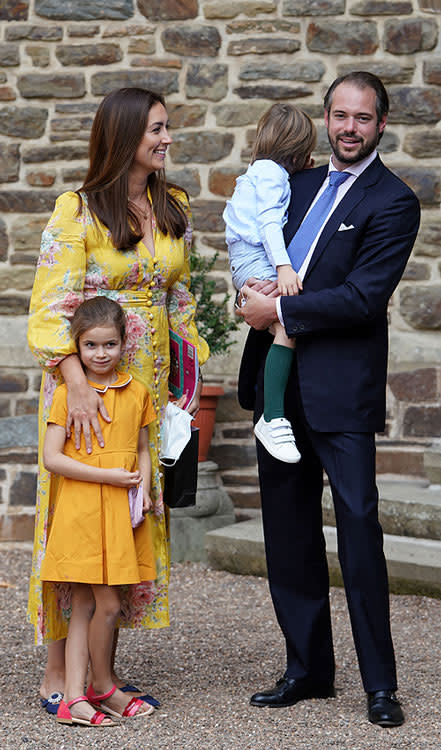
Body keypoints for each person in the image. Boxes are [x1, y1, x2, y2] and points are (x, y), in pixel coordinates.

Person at [237, 71, 420, 727]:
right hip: (279, 391)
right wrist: (248, 293)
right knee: (287, 537)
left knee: (360, 535)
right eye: (339, 116)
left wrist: (276, 307)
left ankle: (379, 685)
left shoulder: (393, 201)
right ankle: (307, 671)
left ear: (380, 123)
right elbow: (258, 246)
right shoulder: (298, 184)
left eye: (361, 118)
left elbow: (362, 298)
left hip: (341, 393)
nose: (348, 128)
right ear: (326, 117)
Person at [27, 87, 209, 714]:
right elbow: (52, 307)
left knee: (127, 516)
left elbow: (180, 301)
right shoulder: (76, 211)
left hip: (147, 388)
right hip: (87, 383)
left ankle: (103, 673)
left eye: (167, 128)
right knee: (75, 523)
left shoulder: (172, 204)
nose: (166, 139)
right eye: (156, 129)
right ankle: (58, 671)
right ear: (125, 135)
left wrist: (188, 381)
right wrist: (76, 381)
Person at [42, 297, 156, 726]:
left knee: (88, 605)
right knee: (106, 605)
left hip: (120, 514)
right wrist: (108, 477)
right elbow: (53, 458)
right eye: (90, 346)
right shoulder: (69, 396)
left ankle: (74, 697)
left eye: (109, 344)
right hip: (84, 511)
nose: (101, 354)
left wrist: (142, 485)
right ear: (78, 346)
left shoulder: (138, 391)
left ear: (124, 343)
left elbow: (142, 449)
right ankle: (103, 685)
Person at [223, 103, 316, 463]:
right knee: (287, 325)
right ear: (298, 146)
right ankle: (272, 417)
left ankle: (273, 416)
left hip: (245, 261)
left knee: (282, 324)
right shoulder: (271, 174)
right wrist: (283, 268)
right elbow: (268, 225)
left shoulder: (260, 172)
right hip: (257, 260)